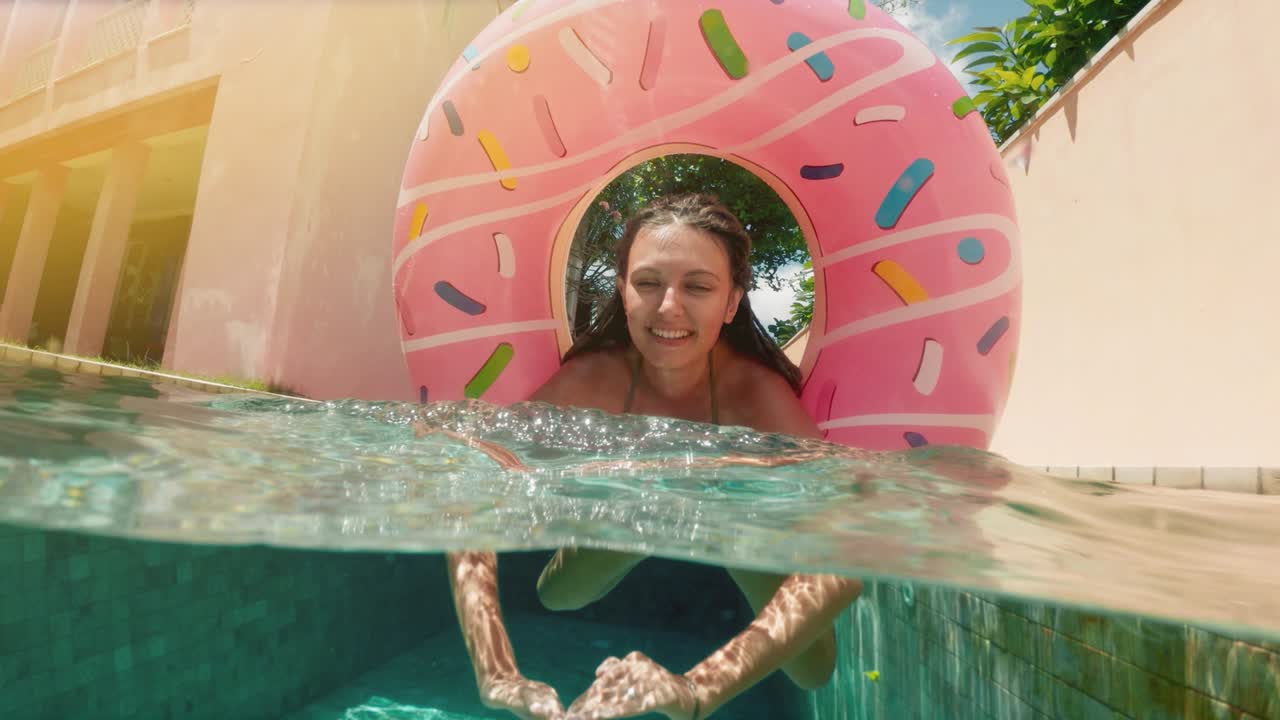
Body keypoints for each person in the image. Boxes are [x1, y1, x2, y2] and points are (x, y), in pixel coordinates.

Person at [443, 193, 863, 720]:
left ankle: (705, 518)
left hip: (739, 518)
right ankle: (648, 510)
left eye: (698, 286)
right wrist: (496, 673)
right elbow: (469, 480)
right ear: (622, 290)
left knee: (814, 669)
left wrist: (696, 690)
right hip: (635, 500)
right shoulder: (594, 382)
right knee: (558, 595)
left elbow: (852, 546)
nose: (668, 307)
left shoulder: (756, 400)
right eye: (647, 282)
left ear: (732, 302)